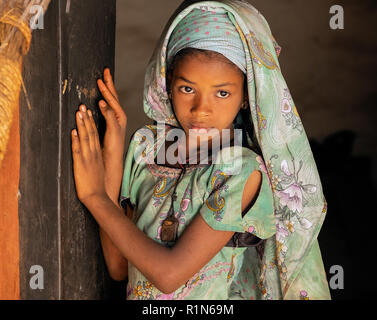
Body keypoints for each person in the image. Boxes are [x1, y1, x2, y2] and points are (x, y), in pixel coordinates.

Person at [71, 0, 331, 300]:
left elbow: (169, 275)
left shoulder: (244, 172)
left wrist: (95, 197)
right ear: (168, 84)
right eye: (187, 88)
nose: (201, 109)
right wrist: (113, 157)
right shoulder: (145, 149)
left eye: (222, 93)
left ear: (246, 96)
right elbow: (119, 267)